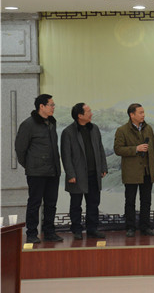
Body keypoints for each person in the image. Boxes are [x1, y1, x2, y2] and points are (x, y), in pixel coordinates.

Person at [15, 94, 63, 243]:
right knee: (34, 203)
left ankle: (49, 232)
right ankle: (31, 233)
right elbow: (20, 149)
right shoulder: (28, 124)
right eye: (51, 105)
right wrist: (30, 165)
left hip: (53, 170)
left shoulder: (51, 123)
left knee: (51, 203)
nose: (53, 107)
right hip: (36, 172)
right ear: (41, 106)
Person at [61, 103, 108, 240]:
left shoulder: (94, 129)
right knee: (76, 204)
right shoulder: (68, 132)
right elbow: (66, 155)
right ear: (80, 116)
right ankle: (76, 229)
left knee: (93, 203)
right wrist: (70, 174)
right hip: (77, 175)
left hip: (94, 173)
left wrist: (103, 167)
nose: (91, 113)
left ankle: (92, 229)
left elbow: (100, 149)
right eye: (88, 111)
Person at [114, 103, 154, 237]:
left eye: (143, 112)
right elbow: (118, 149)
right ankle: (130, 227)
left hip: (147, 171)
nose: (143, 115)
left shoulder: (148, 128)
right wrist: (136, 149)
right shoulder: (122, 130)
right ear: (132, 115)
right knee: (130, 201)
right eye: (140, 113)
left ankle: (145, 227)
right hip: (131, 172)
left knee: (146, 201)